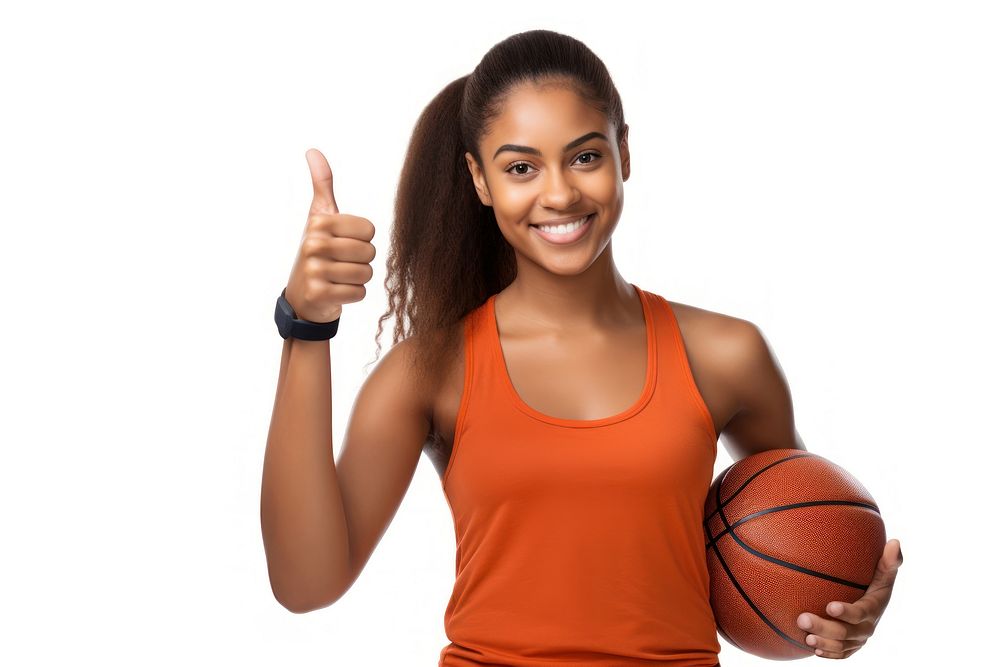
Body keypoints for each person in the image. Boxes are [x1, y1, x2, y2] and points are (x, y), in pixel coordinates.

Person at [260, 29, 902, 666]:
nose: (560, 193)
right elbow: (306, 584)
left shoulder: (727, 355)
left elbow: (801, 553)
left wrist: (845, 615)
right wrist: (308, 329)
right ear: (480, 181)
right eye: (520, 168)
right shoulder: (432, 371)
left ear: (625, 152)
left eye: (585, 157)